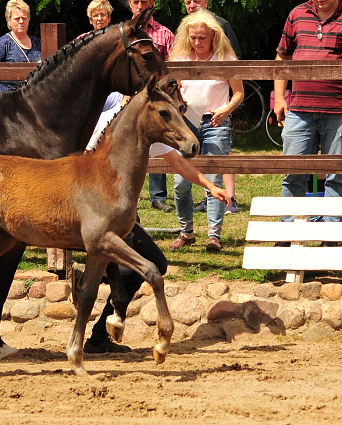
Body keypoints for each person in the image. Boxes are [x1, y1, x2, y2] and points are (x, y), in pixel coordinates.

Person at [78, 92, 230, 353]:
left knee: (145, 264)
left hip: (121, 212)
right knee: (152, 263)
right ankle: (98, 323)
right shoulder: (110, 120)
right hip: (101, 209)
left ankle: (98, 320)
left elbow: (178, 162)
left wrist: (210, 186)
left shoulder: (145, 127)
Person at [274, 0, 342, 237]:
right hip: (300, 108)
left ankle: (331, 238)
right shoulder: (296, 14)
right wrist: (280, 97)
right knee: (292, 171)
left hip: (340, 111)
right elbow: (282, 56)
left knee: (337, 175)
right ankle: (289, 235)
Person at [168, 10, 244, 253]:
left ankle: (214, 235)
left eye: (202, 38)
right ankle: (186, 231)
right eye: (193, 38)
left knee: (213, 179)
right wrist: (176, 93)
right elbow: (171, 93)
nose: (197, 43)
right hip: (186, 121)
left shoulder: (226, 59)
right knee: (181, 181)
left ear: (213, 36)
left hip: (215, 121)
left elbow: (239, 93)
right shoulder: (179, 59)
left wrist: (227, 109)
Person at [182, 0, 242, 215]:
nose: (192, 5)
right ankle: (190, 222)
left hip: (217, 112)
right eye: (188, 2)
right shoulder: (182, 41)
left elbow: (237, 65)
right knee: (183, 170)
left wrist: (227, 108)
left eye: (197, 1)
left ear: (206, 3)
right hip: (190, 116)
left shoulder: (223, 26)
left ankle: (229, 198)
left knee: (219, 157)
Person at [128, 0, 175, 213]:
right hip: (128, 98)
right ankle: (129, 195)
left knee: (159, 141)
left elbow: (171, 69)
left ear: (151, 4)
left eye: (143, 2)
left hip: (156, 97)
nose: (139, 6)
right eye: (136, 2)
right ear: (129, 4)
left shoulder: (164, 34)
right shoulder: (123, 33)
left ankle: (158, 196)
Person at [0, 0, 41, 96]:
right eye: (17, 18)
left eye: (24, 18)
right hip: (8, 101)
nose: (21, 21)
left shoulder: (38, 43)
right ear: (9, 21)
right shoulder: (3, 43)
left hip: (34, 99)